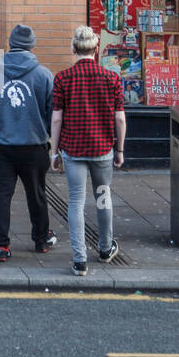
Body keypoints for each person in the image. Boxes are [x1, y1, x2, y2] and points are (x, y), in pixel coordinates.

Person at [51, 25, 126, 277]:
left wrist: (54, 151)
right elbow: (120, 119)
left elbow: (57, 119)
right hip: (102, 150)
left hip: (73, 150)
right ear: (96, 49)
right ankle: (105, 249)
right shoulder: (112, 78)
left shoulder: (62, 78)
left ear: (73, 49)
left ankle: (80, 260)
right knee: (103, 198)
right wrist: (120, 149)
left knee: (76, 202)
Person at [0, 24, 57, 260]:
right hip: (33, 144)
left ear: (11, 43)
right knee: (36, 194)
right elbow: (52, 114)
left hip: (0, 144)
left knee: (1, 195)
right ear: (32, 45)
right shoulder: (44, 75)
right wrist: (46, 134)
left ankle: (1, 246)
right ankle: (40, 239)